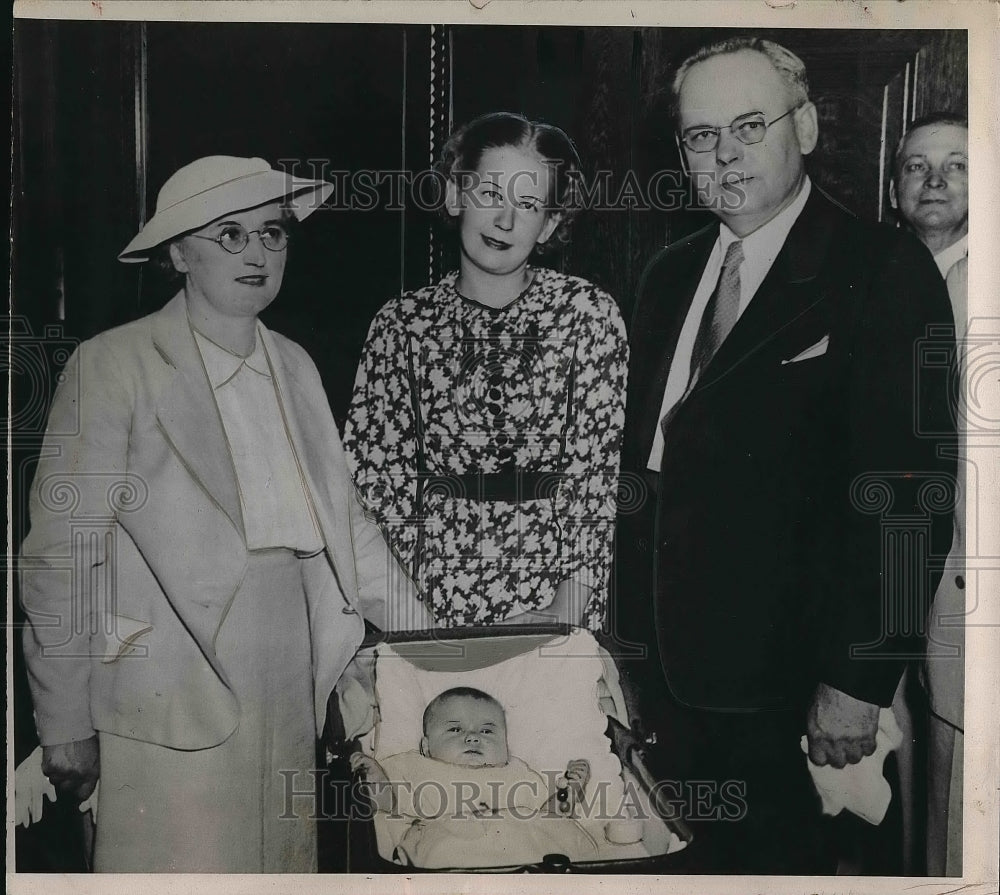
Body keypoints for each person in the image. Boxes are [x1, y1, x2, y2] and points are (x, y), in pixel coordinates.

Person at [19, 155, 433, 872]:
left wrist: (443, 641)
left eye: (272, 234)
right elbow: (63, 553)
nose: (258, 253)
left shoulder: (297, 365)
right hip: (164, 687)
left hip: (289, 666)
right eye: (230, 235)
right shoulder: (113, 363)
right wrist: (63, 720)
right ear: (178, 253)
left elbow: (346, 528)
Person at [619, 37, 956, 873]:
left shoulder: (883, 267)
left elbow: (910, 489)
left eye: (748, 125)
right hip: (659, 679)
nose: (725, 154)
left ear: (804, 125)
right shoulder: (666, 273)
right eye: (702, 136)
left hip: (791, 689)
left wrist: (859, 678)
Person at [344, 112, 627, 630]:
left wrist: (563, 614)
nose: (505, 221)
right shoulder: (400, 323)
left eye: (528, 205)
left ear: (550, 224)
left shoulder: (587, 314)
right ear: (455, 196)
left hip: (553, 597)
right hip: (423, 603)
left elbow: (596, 482)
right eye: (491, 194)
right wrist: (418, 622)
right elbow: (376, 486)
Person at [891, 113, 969, 876]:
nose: (936, 180)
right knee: (908, 788)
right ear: (895, 188)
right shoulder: (882, 276)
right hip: (892, 567)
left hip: (969, 577)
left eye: (957, 165)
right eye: (918, 166)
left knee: (960, 812)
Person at [349, 687, 595, 867]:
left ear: (506, 746)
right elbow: (386, 806)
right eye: (455, 729)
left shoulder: (518, 772)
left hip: (522, 852)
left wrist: (568, 792)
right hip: (449, 844)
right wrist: (374, 776)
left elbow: (547, 819)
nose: (473, 737)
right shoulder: (414, 765)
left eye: (487, 730)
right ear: (426, 746)